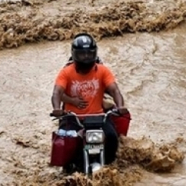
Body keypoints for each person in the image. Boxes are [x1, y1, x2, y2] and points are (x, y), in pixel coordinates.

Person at [51, 33, 128, 167]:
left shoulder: (103, 70)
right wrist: (57, 109)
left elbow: (115, 90)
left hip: (99, 117)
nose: (86, 57)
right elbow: (57, 92)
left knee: (111, 137)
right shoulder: (66, 72)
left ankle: (108, 166)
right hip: (72, 118)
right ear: (75, 54)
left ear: (95, 54)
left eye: (89, 53)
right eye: (82, 54)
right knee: (66, 143)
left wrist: (120, 106)